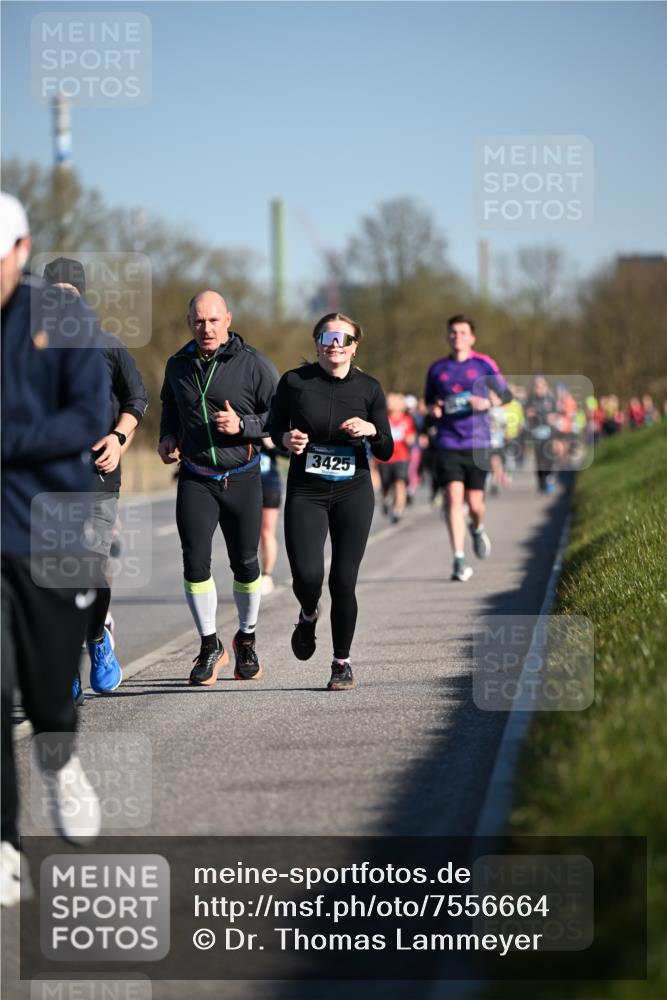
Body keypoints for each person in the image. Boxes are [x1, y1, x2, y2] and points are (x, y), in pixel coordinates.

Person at [1, 194, 108, 903]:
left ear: (21, 248)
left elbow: (88, 415)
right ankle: (5, 844)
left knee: (48, 693)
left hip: (52, 531)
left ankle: (62, 761)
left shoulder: (60, 315)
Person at [42, 258, 148, 703]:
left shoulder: (107, 344)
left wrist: (119, 438)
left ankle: (97, 641)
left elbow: (136, 397)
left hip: (98, 473)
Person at [158, 291, 277, 685]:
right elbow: (170, 406)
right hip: (195, 477)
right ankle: (210, 646)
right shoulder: (177, 364)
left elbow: (280, 415)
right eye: (197, 321)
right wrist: (168, 436)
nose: (205, 328)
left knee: (245, 563)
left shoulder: (253, 363)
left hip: (242, 476)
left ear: (228, 319)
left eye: (212, 320)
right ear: (189, 321)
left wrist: (243, 426)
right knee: (195, 562)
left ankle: (246, 639)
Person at [269, 313, 393, 691]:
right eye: (327, 336)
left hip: (353, 491)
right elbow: (274, 430)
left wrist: (372, 430)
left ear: (355, 347)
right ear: (317, 342)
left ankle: (341, 663)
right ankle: (308, 615)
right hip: (307, 491)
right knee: (307, 577)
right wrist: (286, 441)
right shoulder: (294, 382)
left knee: (343, 580)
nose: (334, 344)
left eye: (343, 338)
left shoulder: (369, 389)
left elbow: (386, 449)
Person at [424, 314, 512, 582]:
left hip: (478, 442)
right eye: (453, 332)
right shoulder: (437, 369)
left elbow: (506, 396)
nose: (457, 336)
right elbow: (429, 403)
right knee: (453, 498)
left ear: (472, 337)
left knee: (475, 504)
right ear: (447, 336)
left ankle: (477, 527)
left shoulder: (483, 364)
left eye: (462, 332)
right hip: (448, 441)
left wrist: (487, 404)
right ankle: (459, 559)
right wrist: (435, 409)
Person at [378, 393, 417, 523]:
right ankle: (386, 499)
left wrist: (410, 439)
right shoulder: (384, 419)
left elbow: (412, 436)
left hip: (402, 457)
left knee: (400, 483)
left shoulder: (407, 420)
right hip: (385, 458)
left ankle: (397, 510)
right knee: (386, 485)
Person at [259, 436, 285, 596]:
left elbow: (288, 451)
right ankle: (247, 576)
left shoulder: (268, 416)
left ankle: (266, 575)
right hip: (242, 482)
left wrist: (272, 444)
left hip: (269, 482)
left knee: (266, 532)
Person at [525, 375, 558, 493]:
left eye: (541, 386)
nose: (539, 388)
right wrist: (529, 415)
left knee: (549, 458)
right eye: (536, 386)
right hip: (536, 433)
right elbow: (526, 414)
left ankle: (549, 480)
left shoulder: (550, 399)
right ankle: (541, 482)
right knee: (539, 460)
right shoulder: (531, 399)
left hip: (549, 433)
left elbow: (555, 416)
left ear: (545, 386)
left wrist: (552, 419)